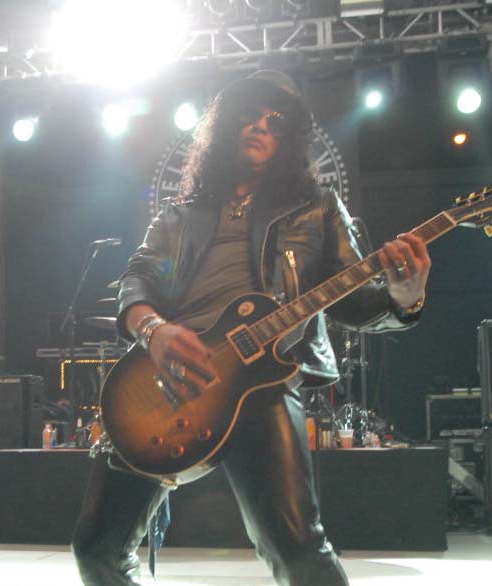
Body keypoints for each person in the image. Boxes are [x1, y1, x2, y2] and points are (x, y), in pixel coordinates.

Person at [71, 70, 431, 586]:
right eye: (250, 115)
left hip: (262, 384)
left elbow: (353, 301)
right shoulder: (179, 214)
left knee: (299, 550)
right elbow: (137, 279)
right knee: (95, 551)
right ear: (225, 125)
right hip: (169, 380)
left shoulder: (318, 209)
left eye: (275, 121)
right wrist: (154, 332)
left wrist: (404, 295)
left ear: (289, 139)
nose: (261, 126)